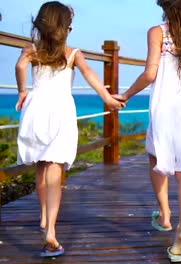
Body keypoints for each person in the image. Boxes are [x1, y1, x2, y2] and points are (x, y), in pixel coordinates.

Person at [15, 1, 125, 258]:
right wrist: (108, 99)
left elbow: (20, 67)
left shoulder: (31, 50)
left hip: (35, 109)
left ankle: (44, 217)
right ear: (64, 29)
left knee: (41, 167)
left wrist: (22, 90)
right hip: (60, 111)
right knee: (54, 171)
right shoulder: (72, 53)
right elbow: (91, 77)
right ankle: (50, 231)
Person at [112, 0, 181, 261]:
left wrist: (126, 94)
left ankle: (165, 216)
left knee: (155, 156)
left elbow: (150, 74)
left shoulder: (157, 32)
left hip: (165, 111)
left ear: (165, 8)